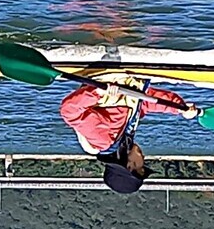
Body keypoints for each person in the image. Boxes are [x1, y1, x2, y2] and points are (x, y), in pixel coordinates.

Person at [59, 76, 197, 193]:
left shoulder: (103, 140)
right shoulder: (124, 137)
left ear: (130, 166)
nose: (144, 158)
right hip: (128, 77)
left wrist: (97, 92)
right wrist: (180, 108)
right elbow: (145, 103)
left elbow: (69, 111)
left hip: (108, 74)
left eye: (141, 166)